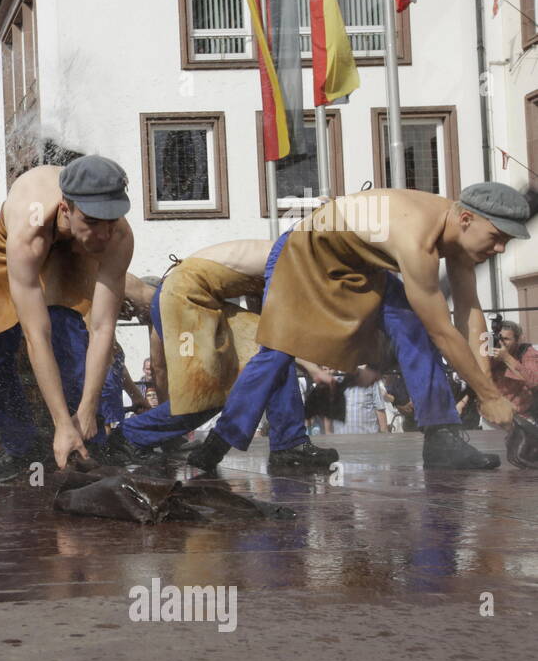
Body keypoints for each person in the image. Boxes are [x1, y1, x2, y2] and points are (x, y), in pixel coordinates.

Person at [187, 185, 529, 472]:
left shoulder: (459, 234)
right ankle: (220, 443)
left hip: (361, 260)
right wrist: (488, 396)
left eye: (507, 241)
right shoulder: (416, 240)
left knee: (413, 329)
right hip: (306, 250)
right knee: (280, 348)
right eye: (497, 237)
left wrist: (488, 391)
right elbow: (444, 331)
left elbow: (470, 313)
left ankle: (442, 439)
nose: (500, 249)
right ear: (466, 219)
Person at [104, 239, 337, 468]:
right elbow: (278, 329)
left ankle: (289, 444)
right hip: (184, 295)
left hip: (194, 296)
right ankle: (130, 436)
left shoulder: (292, 257)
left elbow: (271, 338)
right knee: (209, 392)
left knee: (276, 362)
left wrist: (308, 366)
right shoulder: (296, 261)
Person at [0, 156, 135, 482]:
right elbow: (36, 336)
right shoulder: (27, 234)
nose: (103, 235)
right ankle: (23, 446)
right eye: (92, 221)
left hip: (72, 248)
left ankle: (91, 445)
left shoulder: (116, 237)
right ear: (66, 209)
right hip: (18, 246)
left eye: (111, 221)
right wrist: (61, 422)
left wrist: (86, 409)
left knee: (73, 337)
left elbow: (103, 329)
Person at [487, 319, 538, 418]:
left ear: (517, 340)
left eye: (506, 339)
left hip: (521, 416)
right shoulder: (490, 352)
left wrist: (507, 358)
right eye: (499, 338)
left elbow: (534, 381)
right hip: (493, 415)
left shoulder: (527, 353)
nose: (501, 343)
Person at [331, 366, 389, 434]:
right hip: (341, 440)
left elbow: (380, 409)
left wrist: (384, 434)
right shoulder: (333, 382)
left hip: (368, 440)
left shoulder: (370, 380)